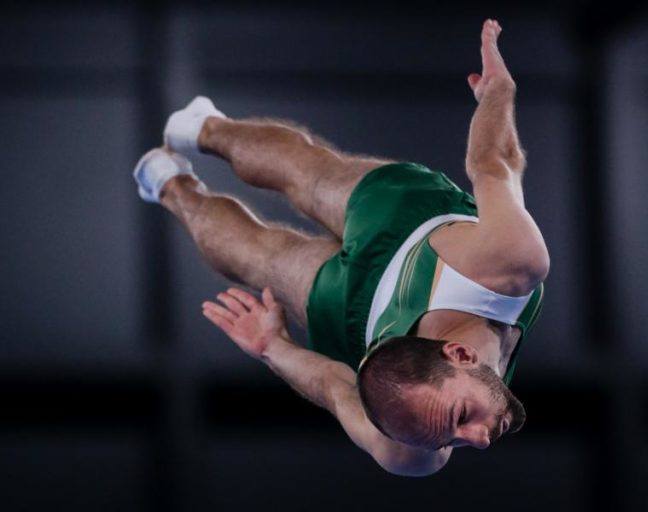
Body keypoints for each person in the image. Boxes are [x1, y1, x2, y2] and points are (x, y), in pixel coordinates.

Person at [133, 18, 549, 476]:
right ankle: (183, 155)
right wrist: (497, 93)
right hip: (385, 266)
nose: (479, 440)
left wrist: (274, 348)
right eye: (456, 427)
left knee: (281, 219)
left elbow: (494, 163)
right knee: (287, 206)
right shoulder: (507, 262)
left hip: (373, 278)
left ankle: (185, 162)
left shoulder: (410, 447)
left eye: (457, 426)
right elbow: (492, 163)